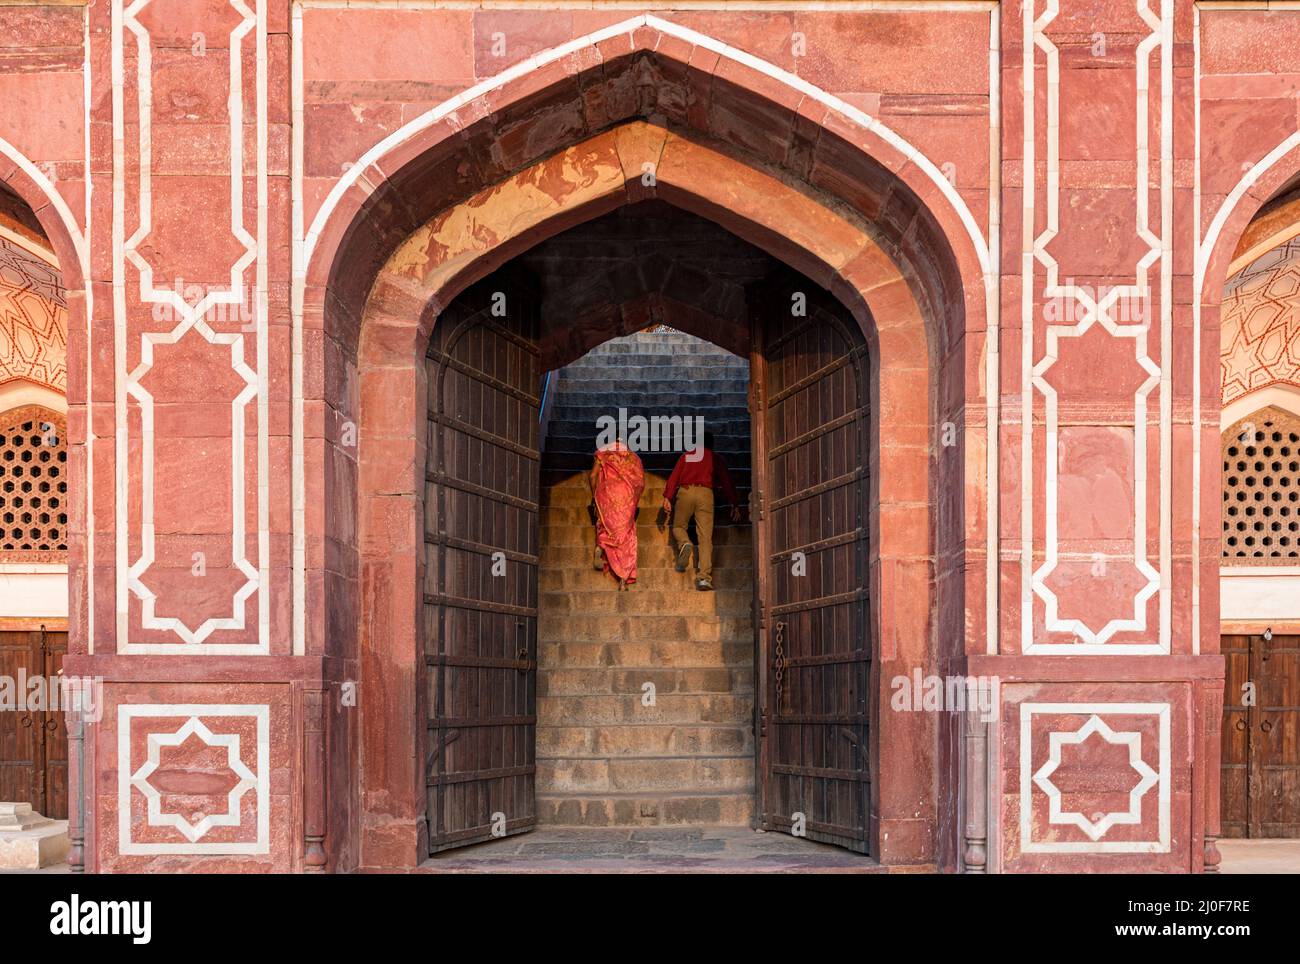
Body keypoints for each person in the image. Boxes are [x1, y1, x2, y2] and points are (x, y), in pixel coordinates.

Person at [661, 431, 740, 591]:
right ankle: (704, 578)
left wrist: (668, 497)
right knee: (705, 538)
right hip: (706, 494)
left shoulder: (687, 456)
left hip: (686, 491)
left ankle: (685, 543)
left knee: (678, 527)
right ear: (711, 444)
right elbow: (726, 480)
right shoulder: (715, 458)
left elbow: (674, 477)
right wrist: (734, 503)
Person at [589, 438, 645, 590]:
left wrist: (595, 496)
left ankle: (601, 544)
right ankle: (623, 580)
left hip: (606, 492)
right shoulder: (633, 458)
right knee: (626, 537)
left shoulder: (603, 454)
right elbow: (640, 483)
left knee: (605, 523)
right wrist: (634, 500)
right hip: (626, 496)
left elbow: (593, 476)